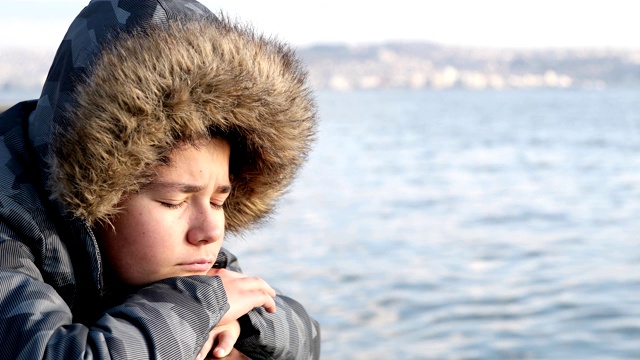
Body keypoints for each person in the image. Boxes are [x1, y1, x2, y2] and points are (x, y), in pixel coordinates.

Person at [0, 0, 320, 359]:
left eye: (219, 201)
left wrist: (240, 322)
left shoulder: (181, 252)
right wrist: (201, 307)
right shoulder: (7, 223)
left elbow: (307, 339)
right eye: (174, 201)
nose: (210, 231)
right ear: (100, 186)